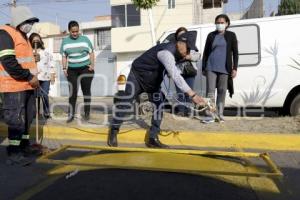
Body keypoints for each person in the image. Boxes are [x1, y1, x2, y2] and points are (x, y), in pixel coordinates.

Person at [108, 32, 208, 148]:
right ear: (180, 43)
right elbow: (175, 75)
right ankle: (114, 130)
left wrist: (188, 56)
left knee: (159, 105)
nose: (188, 51)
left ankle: (152, 138)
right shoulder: (166, 53)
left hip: (153, 81)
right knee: (126, 103)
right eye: (188, 48)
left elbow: (197, 56)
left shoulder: (181, 52)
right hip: (138, 76)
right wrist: (193, 95)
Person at [0, 6, 40, 164]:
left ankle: (24, 146)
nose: (30, 24)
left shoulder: (23, 35)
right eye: (27, 21)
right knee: (16, 121)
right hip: (13, 86)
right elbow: (8, 62)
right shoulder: (5, 33)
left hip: (27, 86)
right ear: (18, 20)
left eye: (31, 22)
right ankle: (14, 153)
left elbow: (23, 59)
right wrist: (29, 76)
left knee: (27, 118)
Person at [202, 14, 238, 123]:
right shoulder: (211, 35)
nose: (220, 24)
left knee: (222, 91)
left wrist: (235, 68)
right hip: (211, 67)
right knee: (210, 92)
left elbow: (235, 53)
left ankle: (219, 114)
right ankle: (210, 115)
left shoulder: (231, 35)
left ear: (227, 24)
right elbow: (206, 52)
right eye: (218, 22)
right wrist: (204, 67)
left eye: (222, 22)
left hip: (225, 68)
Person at [60, 20, 94, 123]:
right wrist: (64, 68)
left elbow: (91, 52)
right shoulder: (65, 41)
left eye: (76, 31)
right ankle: (71, 115)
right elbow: (64, 56)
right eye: (73, 31)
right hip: (72, 70)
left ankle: (87, 113)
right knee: (72, 92)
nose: (75, 33)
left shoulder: (85, 39)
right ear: (69, 31)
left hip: (85, 69)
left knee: (86, 91)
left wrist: (92, 65)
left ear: (79, 30)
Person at [174, 27, 201, 117]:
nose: (182, 36)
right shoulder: (174, 46)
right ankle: (181, 110)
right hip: (178, 73)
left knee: (189, 92)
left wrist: (190, 57)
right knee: (180, 93)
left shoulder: (191, 44)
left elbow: (198, 56)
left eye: (184, 34)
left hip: (189, 72)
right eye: (180, 34)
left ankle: (189, 111)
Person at [29, 33, 56, 119]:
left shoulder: (46, 51)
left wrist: (52, 75)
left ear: (40, 40)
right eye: (34, 40)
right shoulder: (29, 52)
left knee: (44, 95)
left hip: (45, 77)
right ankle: (35, 113)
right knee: (35, 96)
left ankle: (46, 112)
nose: (36, 42)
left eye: (37, 40)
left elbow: (51, 63)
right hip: (34, 77)